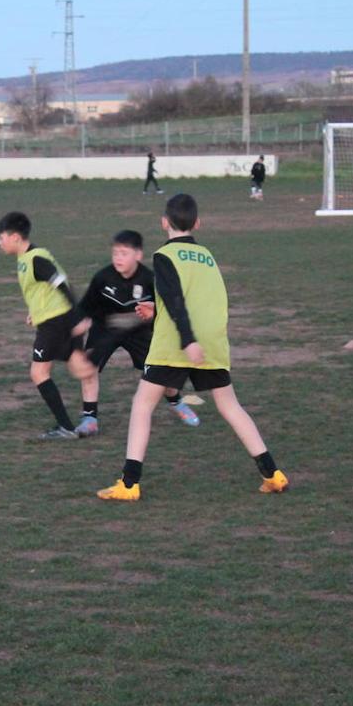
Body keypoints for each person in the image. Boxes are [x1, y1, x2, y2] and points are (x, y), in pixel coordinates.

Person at [97, 194, 288, 501]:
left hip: (177, 344)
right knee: (230, 406)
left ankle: (129, 484)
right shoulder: (208, 256)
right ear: (197, 223)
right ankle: (273, 475)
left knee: (142, 405)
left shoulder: (163, 256)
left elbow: (176, 300)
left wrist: (187, 340)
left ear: (163, 223)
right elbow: (201, 301)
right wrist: (160, 313)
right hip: (212, 341)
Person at [76, 229, 202, 437]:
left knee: (159, 371)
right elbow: (84, 307)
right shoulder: (103, 277)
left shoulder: (149, 279)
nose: (118, 258)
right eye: (115, 253)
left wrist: (153, 313)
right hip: (106, 328)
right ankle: (90, 419)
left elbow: (166, 308)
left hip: (138, 330)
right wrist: (79, 322)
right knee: (89, 366)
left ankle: (176, 402)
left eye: (124, 253)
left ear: (138, 255)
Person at [0, 211, 92, 440]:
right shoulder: (29, 257)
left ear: (16, 237)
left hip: (56, 322)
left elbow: (61, 283)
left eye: (2, 237)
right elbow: (43, 289)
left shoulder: (36, 259)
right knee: (80, 367)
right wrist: (35, 311)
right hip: (55, 319)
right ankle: (88, 417)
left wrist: (78, 316)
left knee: (39, 372)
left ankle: (66, 427)